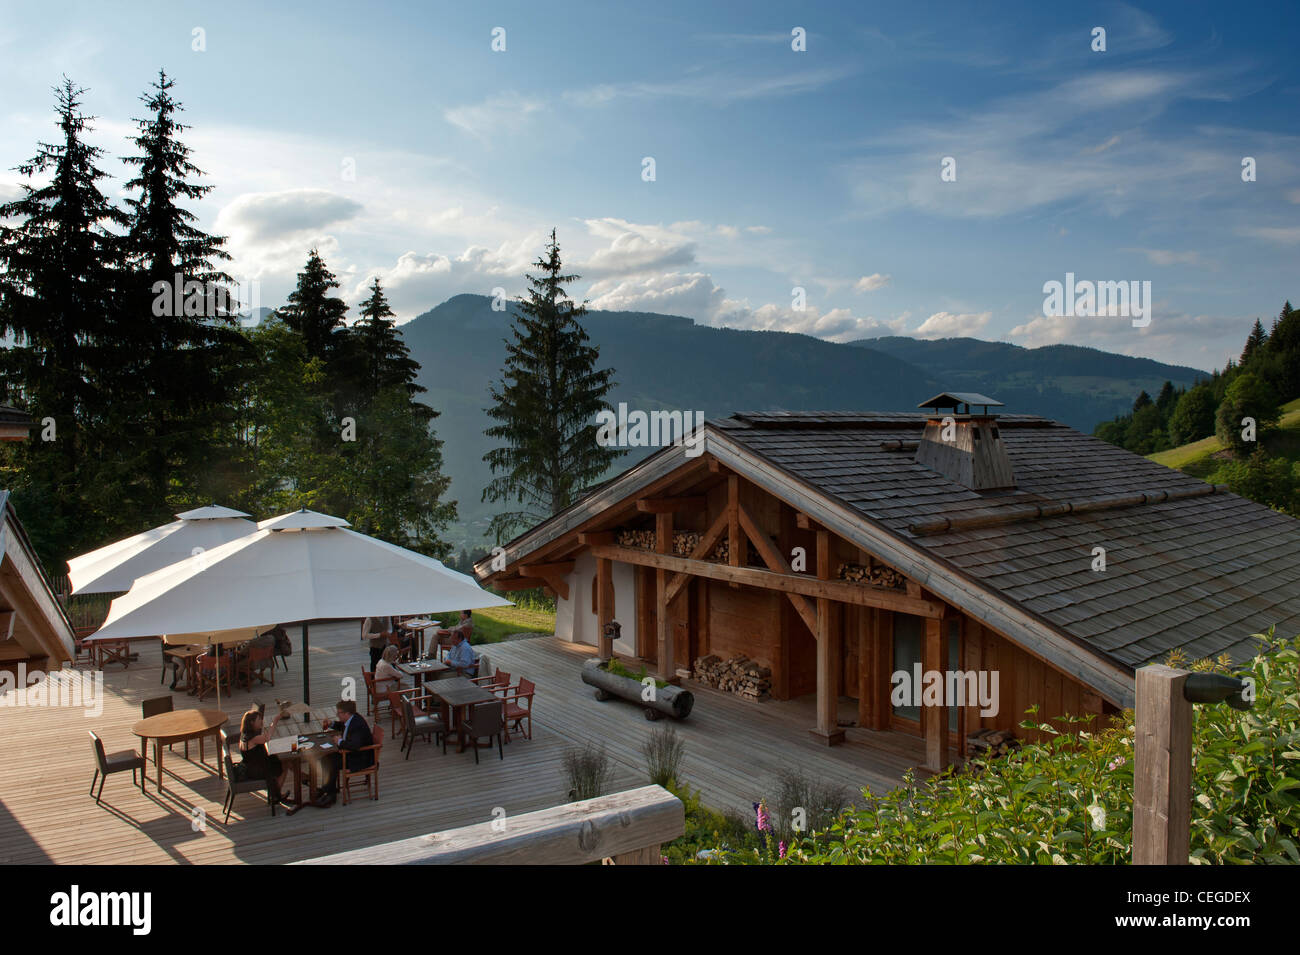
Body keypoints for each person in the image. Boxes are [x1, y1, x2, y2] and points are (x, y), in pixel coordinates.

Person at [315, 700, 373, 806]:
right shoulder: (352, 718)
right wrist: (332, 724)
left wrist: (339, 741)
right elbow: (343, 726)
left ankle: (331, 794)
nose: (337, 715)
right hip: (352, 753)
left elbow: (355, 746)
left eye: (339, 713)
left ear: (347, 713)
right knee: (325, 759)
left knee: (332, 763)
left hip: (360, 758)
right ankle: (328, 789)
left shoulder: (357, 725)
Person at [237, 705, 291, 807]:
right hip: (256, 770)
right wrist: (275, 720)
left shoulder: (244, 735)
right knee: (284, 765)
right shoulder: (253, 738)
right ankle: (276, 795)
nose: (261, 721)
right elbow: (267, 738)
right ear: (252, 723)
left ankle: (277, 793)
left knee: (278, 760)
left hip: (250, 766)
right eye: (259, 719)